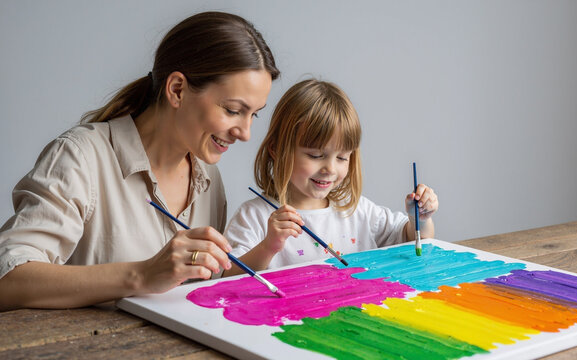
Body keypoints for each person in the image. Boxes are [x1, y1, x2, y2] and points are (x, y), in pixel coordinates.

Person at [0, 11, 279, 311]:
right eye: (233, 109)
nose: (246, 133)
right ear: (177, 89)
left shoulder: (209, 176)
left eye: (254, 114)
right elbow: (8, 280)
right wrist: (142, 275)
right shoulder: (80, 157)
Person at [222, 79, 438, 276]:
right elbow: (226, 277)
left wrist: (420, 218)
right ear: (277, 150)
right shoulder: (255, 216)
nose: (330, 169)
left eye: (342, 158)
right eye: (316, 155)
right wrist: (269, 246)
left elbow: (415, 242)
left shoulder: (357, 210)